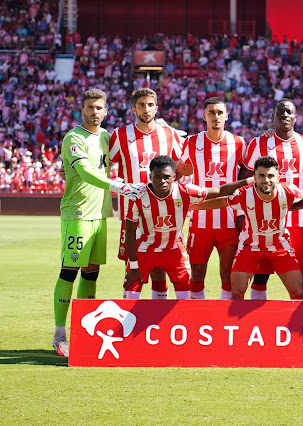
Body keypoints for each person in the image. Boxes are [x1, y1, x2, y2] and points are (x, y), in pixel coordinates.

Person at [52, 88, 146, 357]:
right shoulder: (74, 137)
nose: (95, 112)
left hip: (100, 214)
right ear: (83, 110)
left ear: (106, 111)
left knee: (91, 272)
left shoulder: (105, 136)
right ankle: (59, 334)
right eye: (90, 107)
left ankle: (81, 333)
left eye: (99, 108)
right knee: (69, 271)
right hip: (78, 214)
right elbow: (84, 172)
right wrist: (120, 186)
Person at [124, 156, 251, 299]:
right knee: (130, 292)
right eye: (157, 177)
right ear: (150, 176)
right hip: (145, 249)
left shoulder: (184, 191)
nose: (162, 181)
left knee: (184, 296)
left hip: (174, 250)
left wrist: (250, 181)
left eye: (166, 177)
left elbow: (219, 190)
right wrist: (133, 266)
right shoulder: (138, 195)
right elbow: (130, 231)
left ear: (174, 177)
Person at [109, 88, 186, 299]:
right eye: (141, 105)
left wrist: (173, 184)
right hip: (131, 215)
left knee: (159, 272)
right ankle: (130, 323)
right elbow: (105, 166)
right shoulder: (120, 135)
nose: (146, 109)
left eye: (150, 104)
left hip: (163, 213)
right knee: (132, 271)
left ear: (156, 108)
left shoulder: (169, 135)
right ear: (134, 108)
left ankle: (156, 323)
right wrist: (118, 185)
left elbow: (182, 166)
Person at [193, 156, 303, 300]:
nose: (266, 180)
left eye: (271, 176)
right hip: (249, 247)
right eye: (261, 175)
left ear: (278, 177)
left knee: (297, 293)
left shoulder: (288, 191)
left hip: (279, 247)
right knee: (237, 293)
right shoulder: (244, 194)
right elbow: (222, 201)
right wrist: (192, 207)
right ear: (254, 177)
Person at [240, 99, 303, 300]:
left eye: (289, 112)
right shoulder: (259, 143)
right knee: (261, 274)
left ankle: (300, 320)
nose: (285, 116)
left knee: (301, 274)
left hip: (297, 219)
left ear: (296, 117)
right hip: (265, 219)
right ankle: (256, 318)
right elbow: (244, 177)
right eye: (280, 112)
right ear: (274, 117)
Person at [180, 97, 247, 299]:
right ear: (204, 116)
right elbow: (181, 170)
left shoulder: (238, 143)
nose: (215, 116)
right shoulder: (192, 142)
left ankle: (223, 320)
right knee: (197, 274)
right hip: (200, 223)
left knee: (228, 275)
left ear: (226, 116)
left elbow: (246, 175)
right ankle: (196, 317)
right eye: (211, 112)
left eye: (219, 112)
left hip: (229, 221)